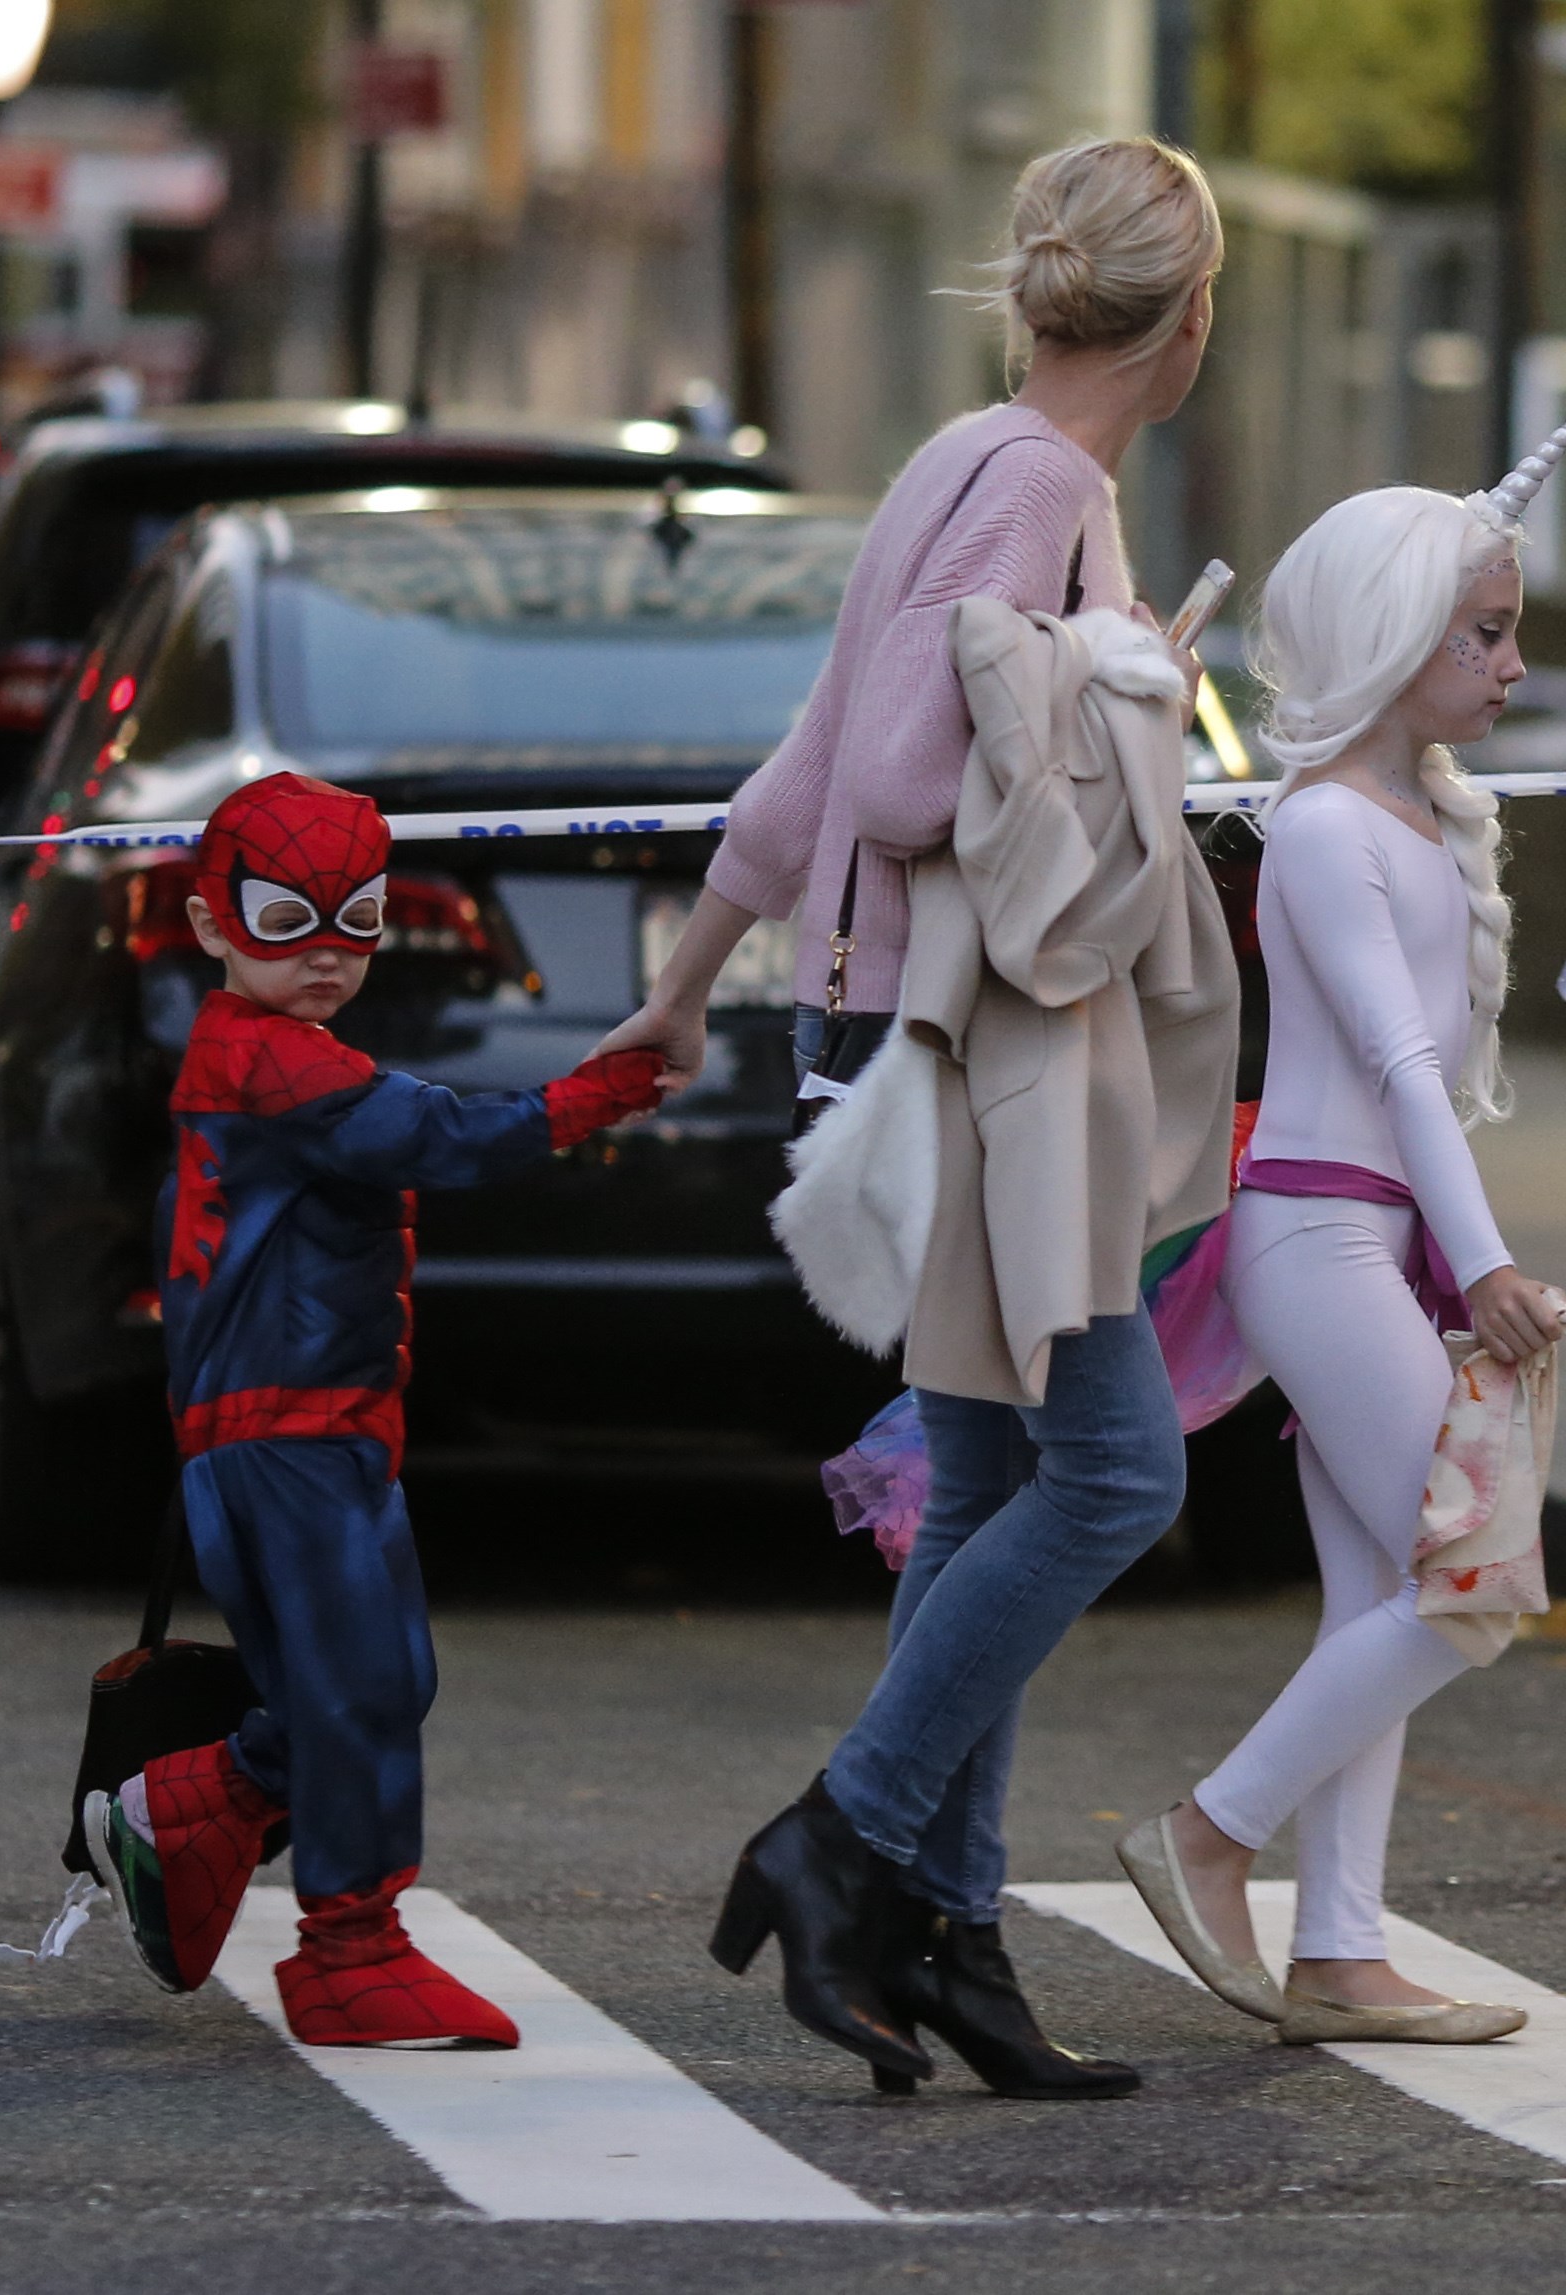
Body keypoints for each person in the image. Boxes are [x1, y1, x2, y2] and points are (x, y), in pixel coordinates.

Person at [603, 135, 1228, 2101]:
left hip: (924, 1030)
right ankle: (846, 1835)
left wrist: (690, 975)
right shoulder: (1045, 489)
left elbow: (802, 767)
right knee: (1119, 1474)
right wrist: (1116, 688)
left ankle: (951, 1941)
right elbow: (886, 769)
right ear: (1187, 316)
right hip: (1007, 1051)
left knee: (976, 1491)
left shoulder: (966, 459)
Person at [1113, 426, 1566, 2047]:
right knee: (1478, 1577)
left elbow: (1424, 1085)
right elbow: (1395, 1069)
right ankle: (1208, 1834)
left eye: (1511, 627)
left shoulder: (1405, 823)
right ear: (1396, 640)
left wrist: (1459, 1258)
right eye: (1486, 631)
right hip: (1318, 1241)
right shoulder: (1324, 829)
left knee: (1391, 1584)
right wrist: (1492, 1264)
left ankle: (1338, 1950)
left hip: (1355, 1243)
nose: (1515, 660)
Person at [80, 772, 666, 2048]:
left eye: (358, 919)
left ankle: (191, 1807)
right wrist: (591, 1094)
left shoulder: (278, 1055)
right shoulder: (268, 1061)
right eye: (291, 919)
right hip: (281, 1439)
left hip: (314, 1434)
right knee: (355, 1689)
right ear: (213, 922)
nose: (330, 954)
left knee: (382, 1680)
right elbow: (436, 1137)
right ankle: (348, 1948)